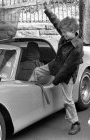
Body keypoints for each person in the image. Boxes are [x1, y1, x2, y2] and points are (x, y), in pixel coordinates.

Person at [29, 2, 84, 135]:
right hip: (55, 64)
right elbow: (56, 22)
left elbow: (66, 68)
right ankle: (30, 96)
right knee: (37, 71)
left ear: (74, 32)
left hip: (67, 74)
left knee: (67, 100)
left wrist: (54, 82)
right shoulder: (66, 33)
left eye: (65, 33)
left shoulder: (77, 47)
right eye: (63, 32)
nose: (63, 34)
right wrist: (48, 11)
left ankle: (75, 123)